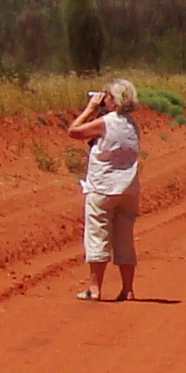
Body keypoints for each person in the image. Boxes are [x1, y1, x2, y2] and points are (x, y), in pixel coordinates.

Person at [65, 76, 142, 301]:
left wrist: (90, 108)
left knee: (97, 236)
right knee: (124, 239)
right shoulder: (132, 125)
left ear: (114, 99)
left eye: (106, 96)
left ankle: (94, 289)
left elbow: (74, 131)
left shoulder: (106, 122)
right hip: (128, 188)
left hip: (103, 187)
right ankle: (127, 289)